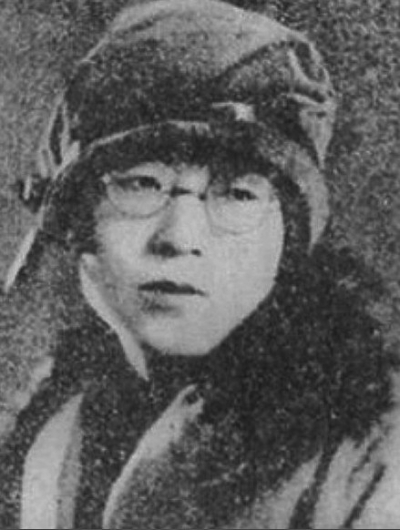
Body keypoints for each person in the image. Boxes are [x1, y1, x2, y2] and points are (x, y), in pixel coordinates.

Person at [0, 0, 399, 528]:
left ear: (287, 240)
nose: (179, 238)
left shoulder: (372, 449)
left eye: (238, 193)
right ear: (76, 223)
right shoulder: (48, 436)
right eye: (141, 184)